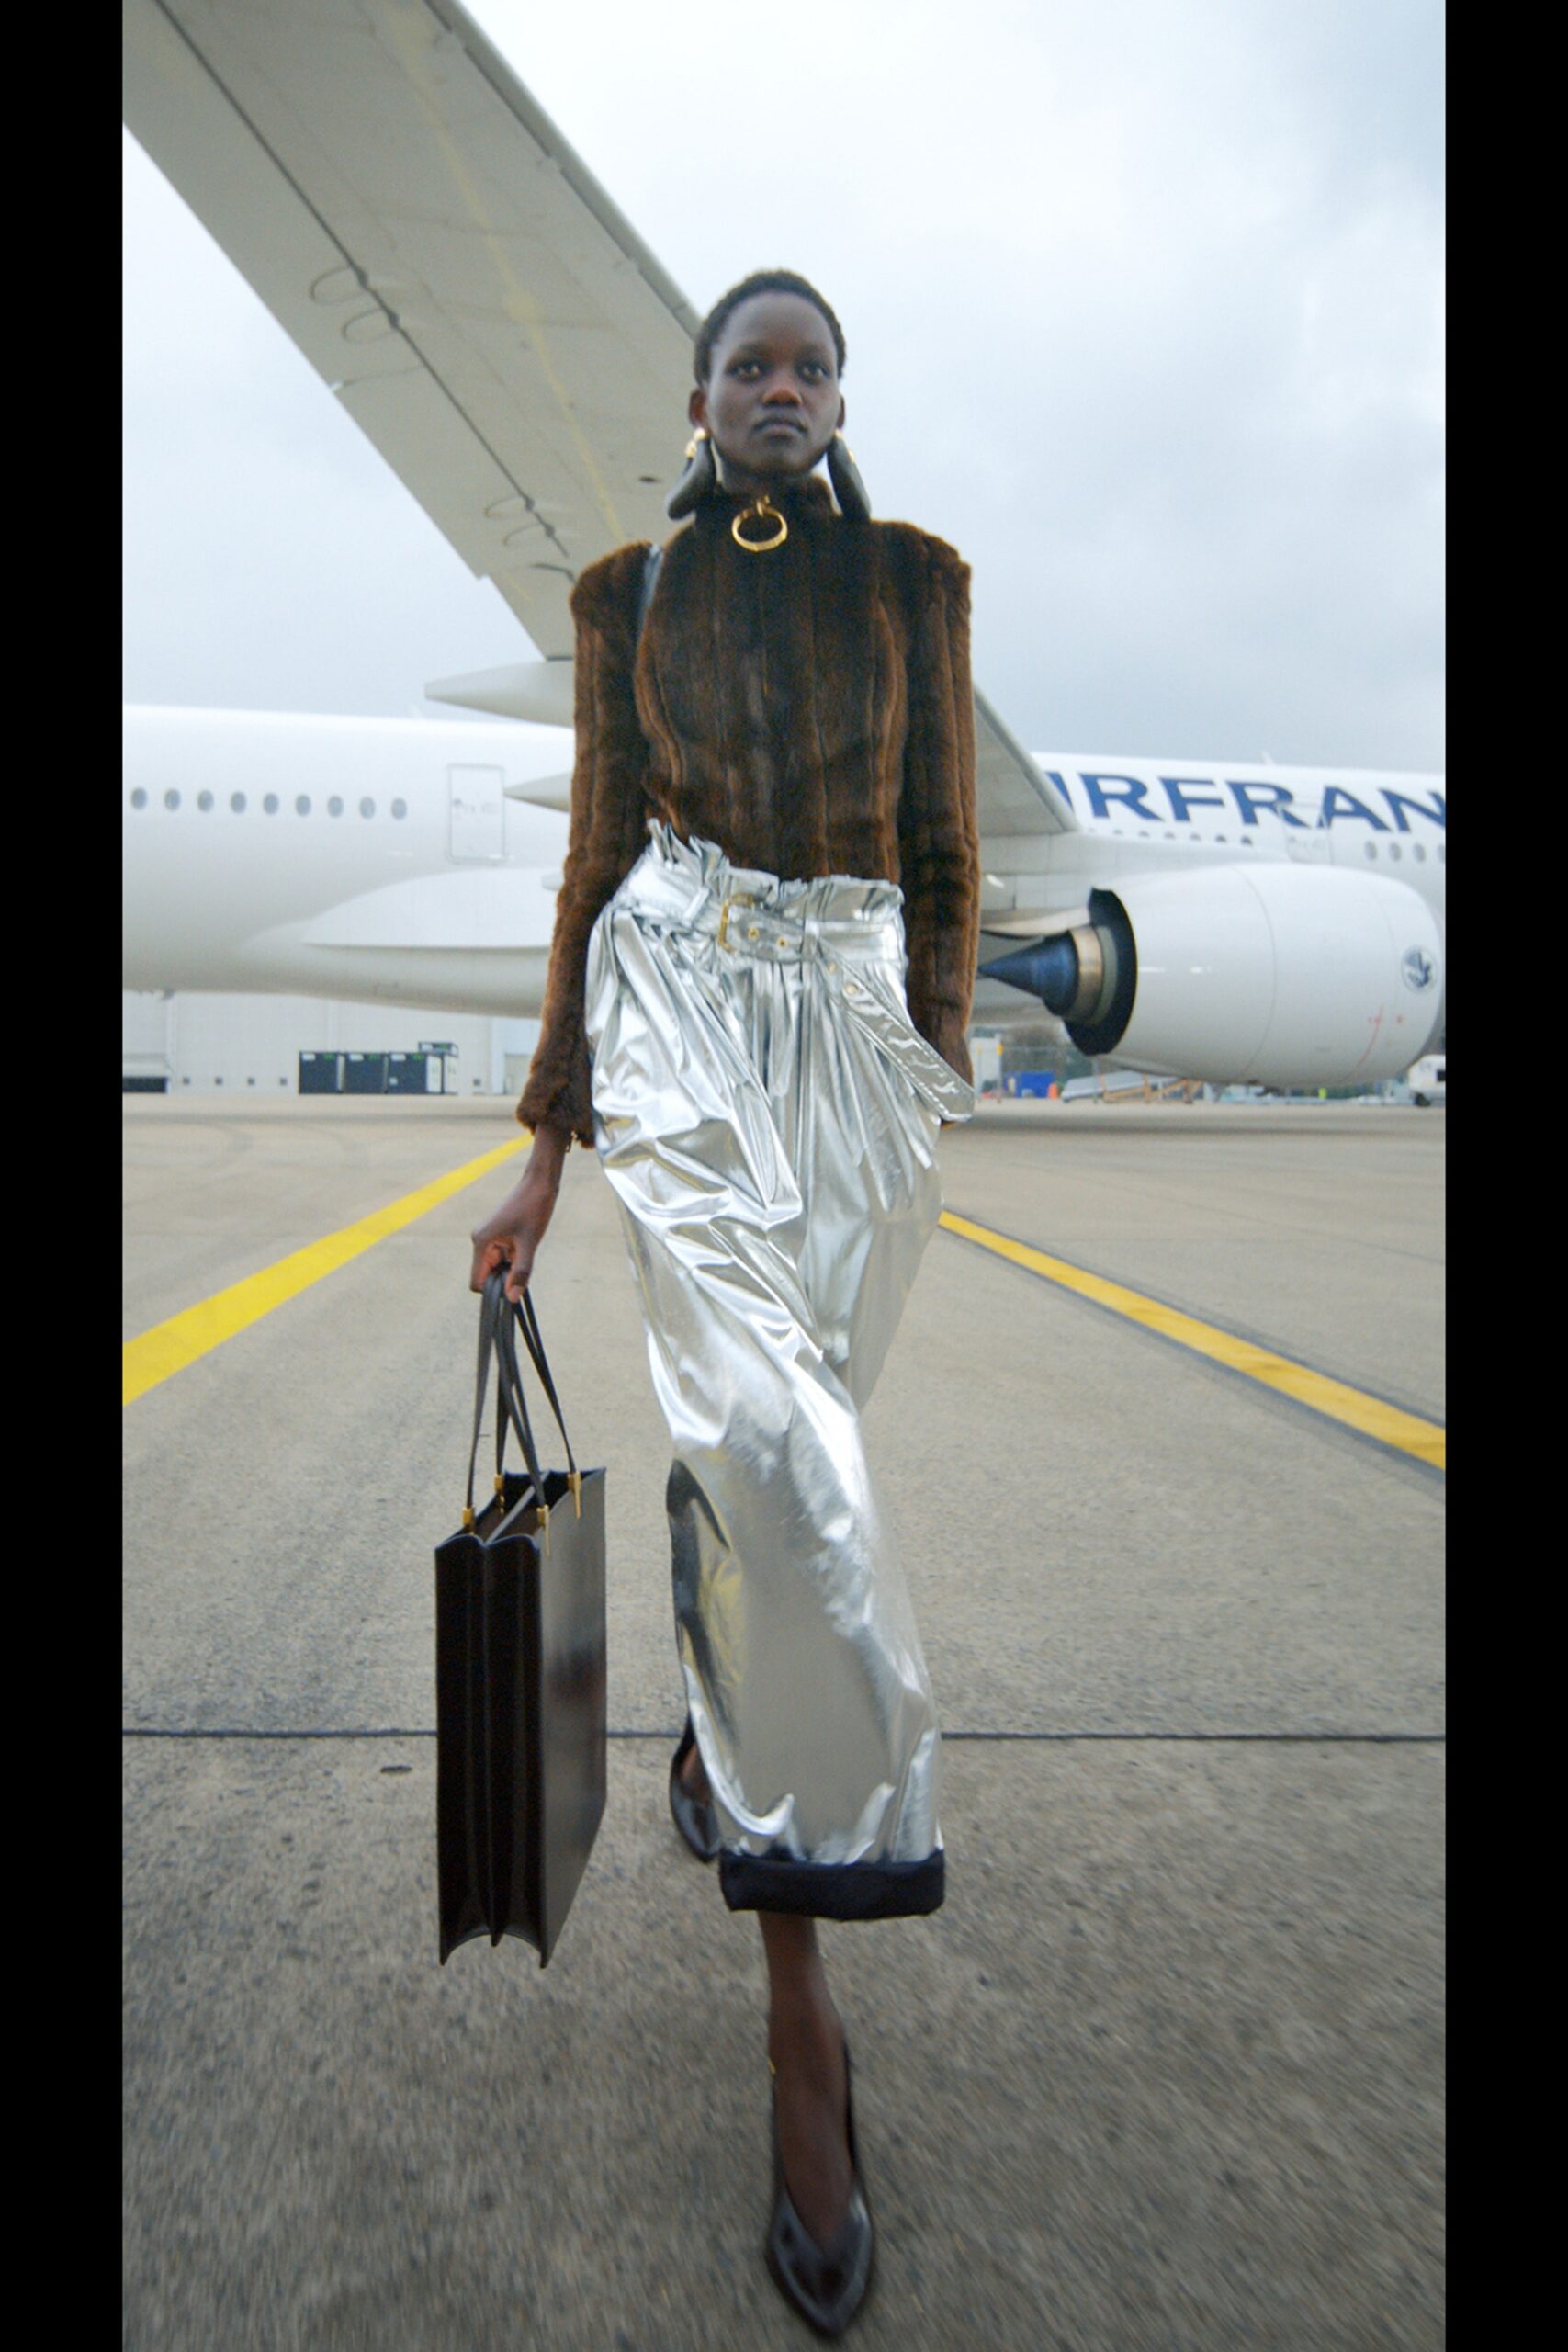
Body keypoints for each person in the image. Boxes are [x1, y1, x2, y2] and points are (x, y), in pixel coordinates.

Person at [469, 267, 980, 2337]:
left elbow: (943, 843)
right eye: (746, 363)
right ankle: (802, 2001)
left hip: (854, 1036)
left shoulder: (916, 582)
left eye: (809, 365)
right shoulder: (624, 598)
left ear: (835, 399)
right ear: (695, 401)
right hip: (673, 1002)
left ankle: (720, 1740)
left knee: (781, 1448)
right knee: (782, 1458)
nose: (780, 388)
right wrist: (543, 1140)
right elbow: (594, 858)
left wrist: (926, 1051)